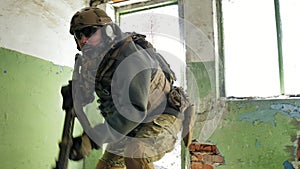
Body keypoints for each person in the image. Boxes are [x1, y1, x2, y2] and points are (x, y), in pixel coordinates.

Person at [63, 6, 192, 169]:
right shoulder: (94, 60)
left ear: (107, 32)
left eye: (89, 32)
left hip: (161, 115)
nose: (83, 40)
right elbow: (87, 92)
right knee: (106, 167)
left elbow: (134, 111)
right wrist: (75, 94)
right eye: (78, 35)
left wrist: (92, 138)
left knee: (136, 154)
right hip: (130, 124)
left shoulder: (131, 57)